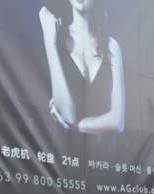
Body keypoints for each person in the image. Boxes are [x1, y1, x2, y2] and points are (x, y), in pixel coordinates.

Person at [39, 0, 125, 138]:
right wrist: (50, 43)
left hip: (104, 156)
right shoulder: (57, 38)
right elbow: (67, 116)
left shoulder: (111, 47)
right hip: (63, 153)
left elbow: (117, 122)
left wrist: (78, 125)